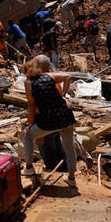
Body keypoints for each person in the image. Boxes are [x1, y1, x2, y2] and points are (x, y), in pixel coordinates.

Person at [21, 55, 77, 187]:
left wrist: (29, 125)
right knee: (69, 148)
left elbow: (31, 106)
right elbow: (68, 77)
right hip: (66, 117)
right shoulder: (51, 76)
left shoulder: (28, 83)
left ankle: (28, 167)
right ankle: (72, 179)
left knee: (27, 136)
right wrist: (63, 95)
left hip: (49, 120)